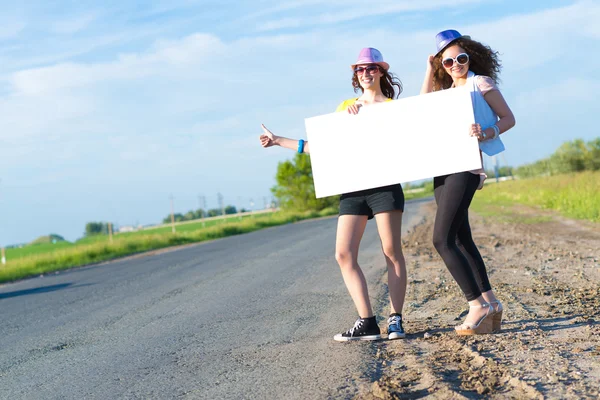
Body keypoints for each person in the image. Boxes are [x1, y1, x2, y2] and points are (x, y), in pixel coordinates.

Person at [260, 48, 407, 341]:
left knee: (391, 252)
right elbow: (324, 145)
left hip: (384, 187)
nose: (366, 73)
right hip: (352, 188)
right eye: (360, 70)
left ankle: (395, 320)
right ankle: (367, 322)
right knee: (343, 254)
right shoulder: (345, 107)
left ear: (381, 72)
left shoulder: (393, 108)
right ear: (356, 75)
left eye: (371, 68)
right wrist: (278, 141)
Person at [420, 30, 516, 335]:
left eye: (460, 58)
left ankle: (476, 304)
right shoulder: (444, 91)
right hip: (442, 168)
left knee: (441, 239)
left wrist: (485, 132)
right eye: (447, 62)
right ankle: (492, 303)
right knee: (461, 239)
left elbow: (508, 118)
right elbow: (420, 110)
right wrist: (428, 70)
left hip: (466, 167)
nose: (456, 65)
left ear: (469, 57)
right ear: (441, 66)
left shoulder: (480, 83)